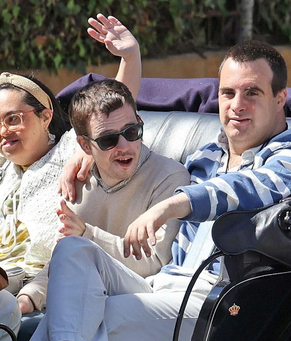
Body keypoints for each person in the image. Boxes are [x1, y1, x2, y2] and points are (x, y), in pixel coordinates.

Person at [0, 41, 291, 341]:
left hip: (217, 309)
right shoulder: (209, 155)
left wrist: (172, 205)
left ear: (280, 98)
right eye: (227, 93)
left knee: (61, 328)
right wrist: (86, 154)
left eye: (252, 92)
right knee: (73, 249)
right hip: (160, 289)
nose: (236, 105)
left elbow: (248, 189)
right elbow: (126, 137)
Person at [0, 15, 144, 341]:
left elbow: (113, 112)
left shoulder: (73, 148)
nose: (2, 132)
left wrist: (130, 57)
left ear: (45, 115)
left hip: (40, 286)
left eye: (13, 119)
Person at [14, 78, 190, 311]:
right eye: (108, 140)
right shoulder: (77, 179)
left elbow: (156, 262)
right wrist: (29, 297)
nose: (124, 146)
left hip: (142, 305)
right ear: (85, 146)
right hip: (84, 299)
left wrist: (87, 236)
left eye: (132, 131)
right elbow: (64, 261)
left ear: (140, 123)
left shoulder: (170, 177)